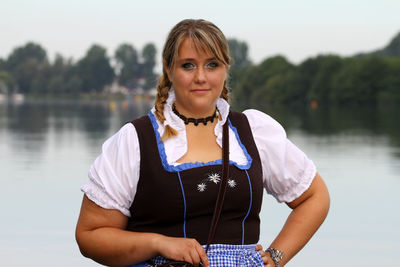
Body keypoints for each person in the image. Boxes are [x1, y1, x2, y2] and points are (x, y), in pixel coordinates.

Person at [75, 19, 330, 267]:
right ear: (168, 68)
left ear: (225, 68)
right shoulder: (135, 140)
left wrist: (275, 257)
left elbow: (315, 197)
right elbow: (90, 236)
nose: (200, 77)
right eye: (188, 65)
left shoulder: (253, 132)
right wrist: (159, 243)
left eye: (212, 65)